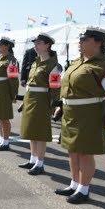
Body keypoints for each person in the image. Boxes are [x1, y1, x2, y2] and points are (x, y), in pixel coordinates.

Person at [53, 27, 105, 204]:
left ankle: (84, 190)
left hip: (89, 115)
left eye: (85, 39)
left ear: (98, 42)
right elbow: (68, 87)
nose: (80, 42)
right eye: (80, 39)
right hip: (71, 114)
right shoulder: (77, 62)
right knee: (72, 151)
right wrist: (61, 106)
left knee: (85, 153)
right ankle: (74, 183)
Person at [19, 33, 62, 175]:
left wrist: (54, 106)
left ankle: (40, 163)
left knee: (40, 134)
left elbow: (55, 88)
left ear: (47, 45)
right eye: (35, 43)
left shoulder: (53, 65)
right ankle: (32, 159)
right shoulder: (35, 62)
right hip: (31, 99)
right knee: (32, 131)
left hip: (42, 100)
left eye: (39, 43)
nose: (35, 46)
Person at [0, 37, 20, 151]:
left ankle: (6, 142)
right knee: (0, 117)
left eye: (0, 45)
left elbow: (14, 80)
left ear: (7, 46)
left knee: (4, 118)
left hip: (5, 92)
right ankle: (1, 140)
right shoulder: (2, 59)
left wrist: (13, 95)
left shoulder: (11, 60)